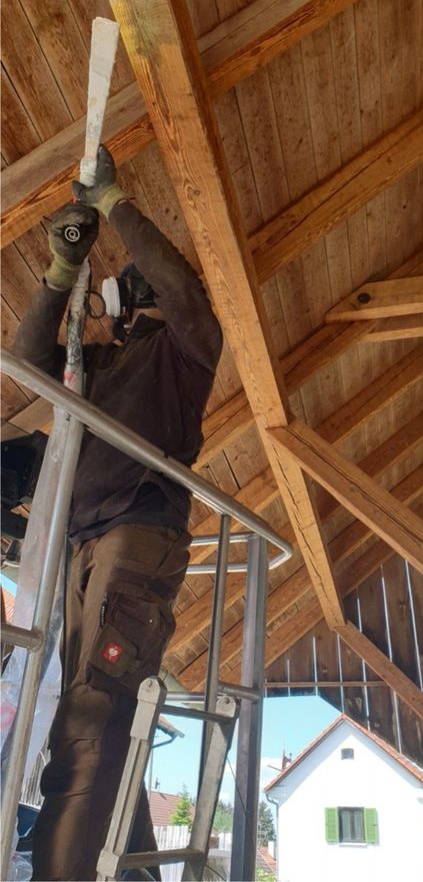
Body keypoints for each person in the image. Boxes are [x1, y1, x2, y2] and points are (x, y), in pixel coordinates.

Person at [13, 146, 223, 882]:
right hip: (81, 541)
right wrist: (59, 274)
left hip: (138, 531)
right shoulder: (95, 370)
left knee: (91, 716)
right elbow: (26, 356)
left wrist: (116, 207)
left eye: (140, 295)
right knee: (64, 716)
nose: (133, 308)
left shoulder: (187, 353)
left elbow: (185, 291)